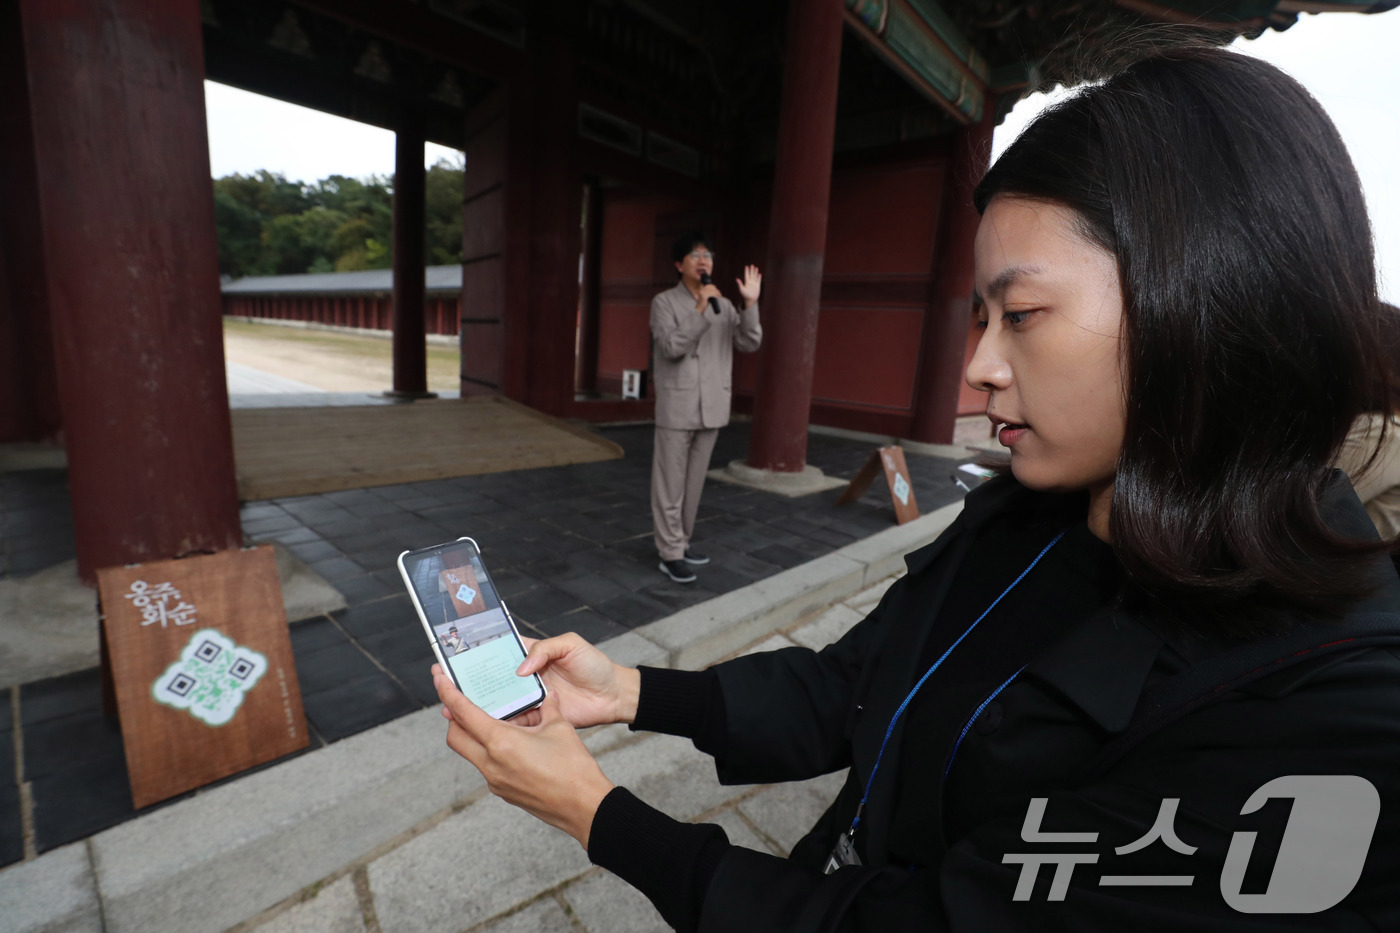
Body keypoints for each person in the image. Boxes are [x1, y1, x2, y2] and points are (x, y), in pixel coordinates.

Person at [430, 47, 1400, 930]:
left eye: (1018, 313)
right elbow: (856, 685)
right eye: (978, 316)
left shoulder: (1329, 716)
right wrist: (631, 692)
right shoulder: (1030, 510)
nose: (976, 365)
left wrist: (594, 813)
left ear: (1210, 305)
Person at [649, 232, 762, 584]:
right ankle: (669, 554)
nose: (703, 261)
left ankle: (681, 543)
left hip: (712, 405)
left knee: (694, 484)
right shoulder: (664, 303)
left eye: (708, 255)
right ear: (679, 264)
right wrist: (698, 310)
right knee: (670, 484)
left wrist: (749, 305)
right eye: (695, 255)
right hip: (677, 405)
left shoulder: (725, 305)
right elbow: (670, 347)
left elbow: (749, 341)